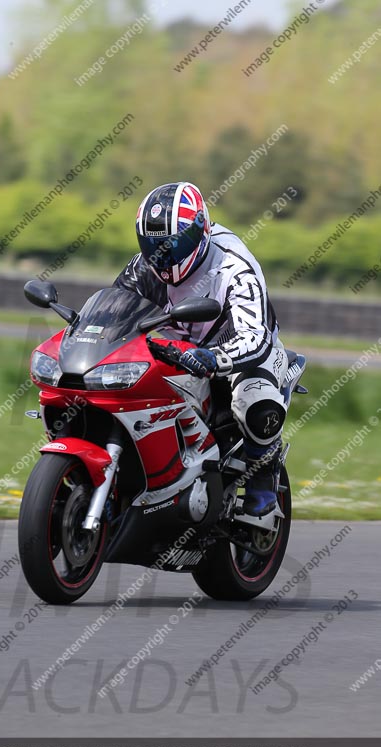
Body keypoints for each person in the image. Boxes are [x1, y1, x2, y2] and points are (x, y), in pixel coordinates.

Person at [113, 181, 288, 517]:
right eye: (155, 244)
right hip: (178, 346)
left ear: (201, 231)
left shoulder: (235, 268)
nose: (165, 254)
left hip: (240, 349)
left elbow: (257, 336)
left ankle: (263, 480)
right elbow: (115, 312)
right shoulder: (143, 268)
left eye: (175, 243)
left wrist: (216, 358)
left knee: (255, 401)